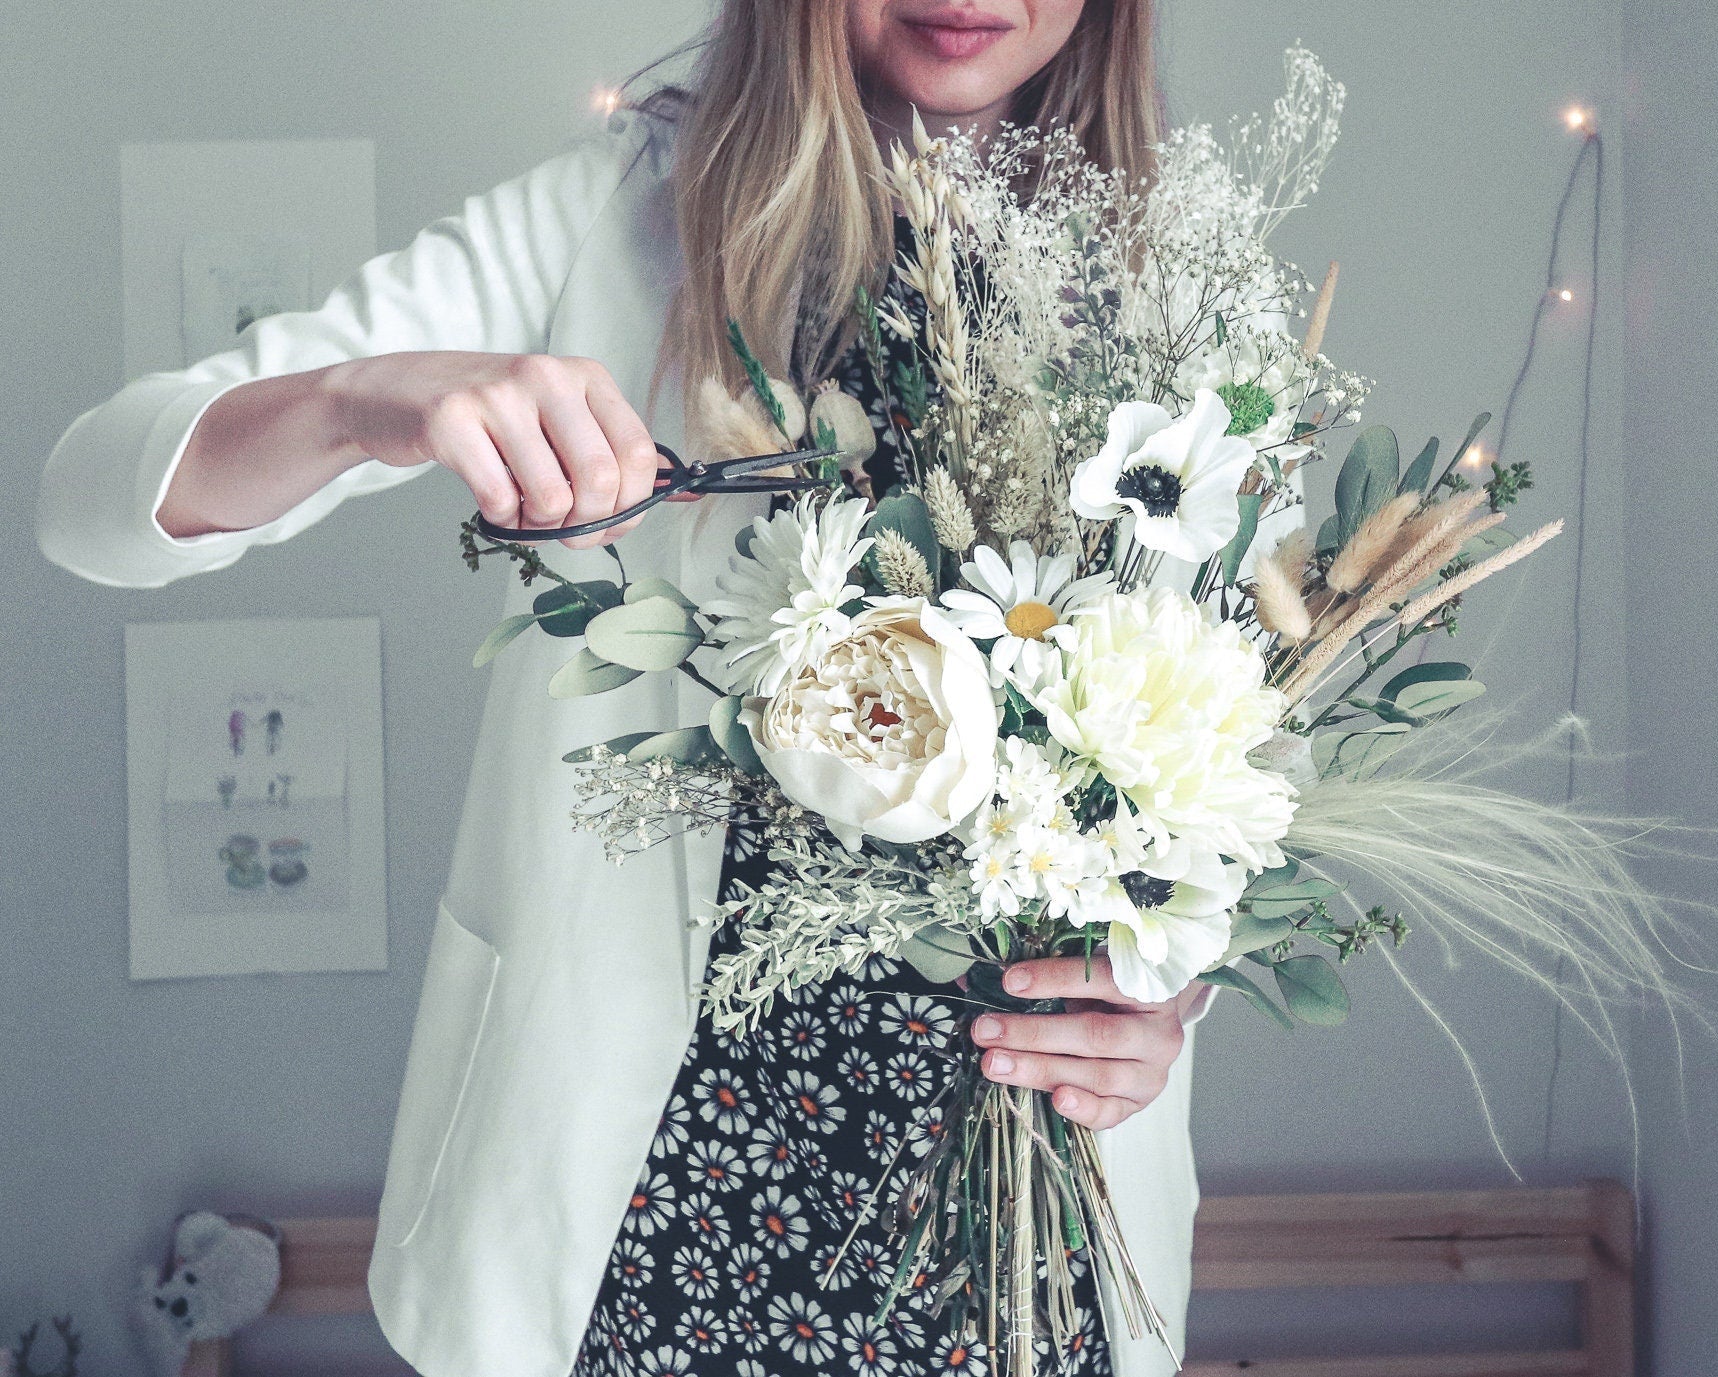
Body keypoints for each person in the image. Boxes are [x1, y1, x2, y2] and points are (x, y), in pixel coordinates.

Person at [38, 5, 1293, 1375]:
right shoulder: (612, 212)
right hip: (641, 1222)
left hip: (1023, 1228)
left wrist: (1166, 992)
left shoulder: (1192, 284)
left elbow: (1216, 748)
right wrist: (362, 397)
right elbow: (90, 501)